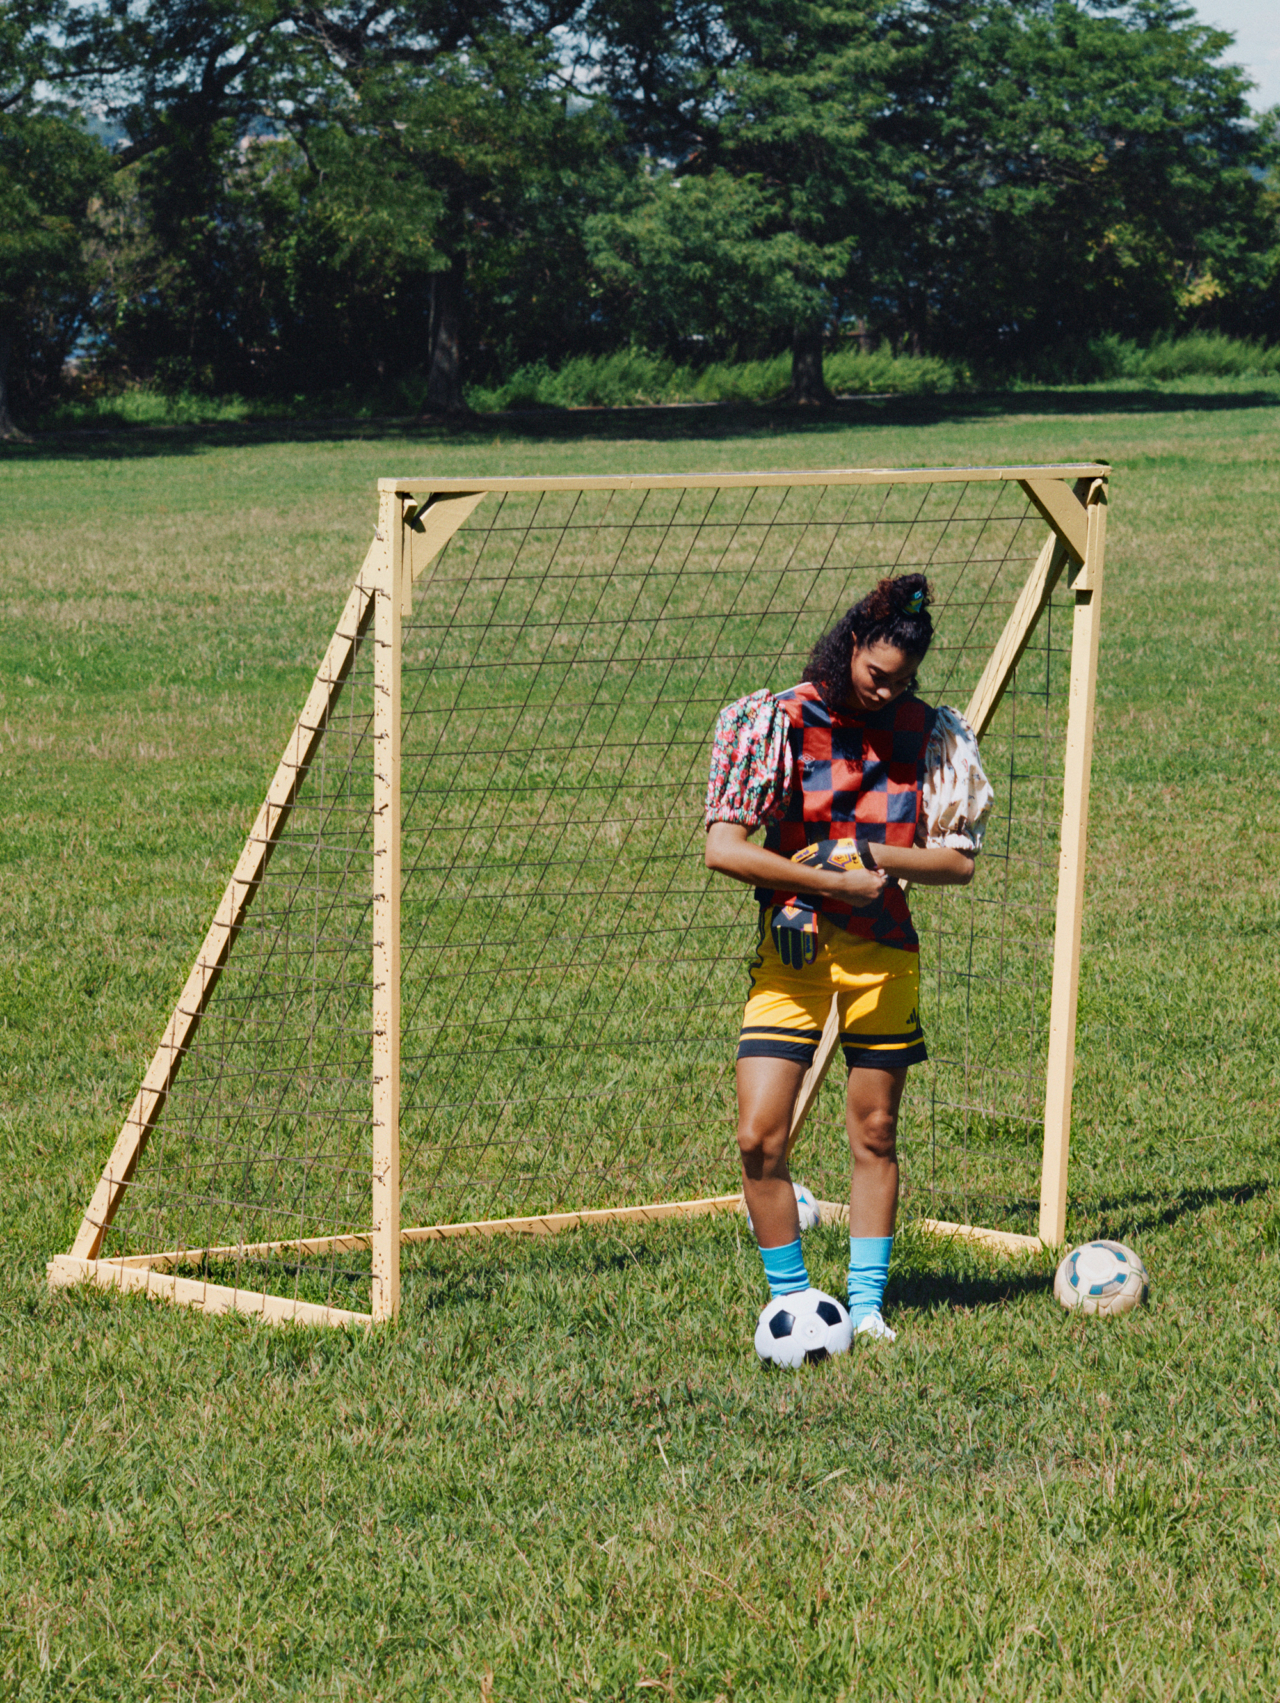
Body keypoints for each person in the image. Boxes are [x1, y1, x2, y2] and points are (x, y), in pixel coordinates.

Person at [704, 573, 993, 1343]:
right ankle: (794, 1302)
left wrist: (868, 852)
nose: (884, 691)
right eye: (875, 673)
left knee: (874, 1133)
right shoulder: (779, 719)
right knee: (759, 1138)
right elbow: (722, 850)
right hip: (791, 955)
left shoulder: (928, 732)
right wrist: (817, 874)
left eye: (901, 681)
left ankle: (865, 1309)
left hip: (884, 957)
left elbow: (958, 862)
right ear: (853, 642)